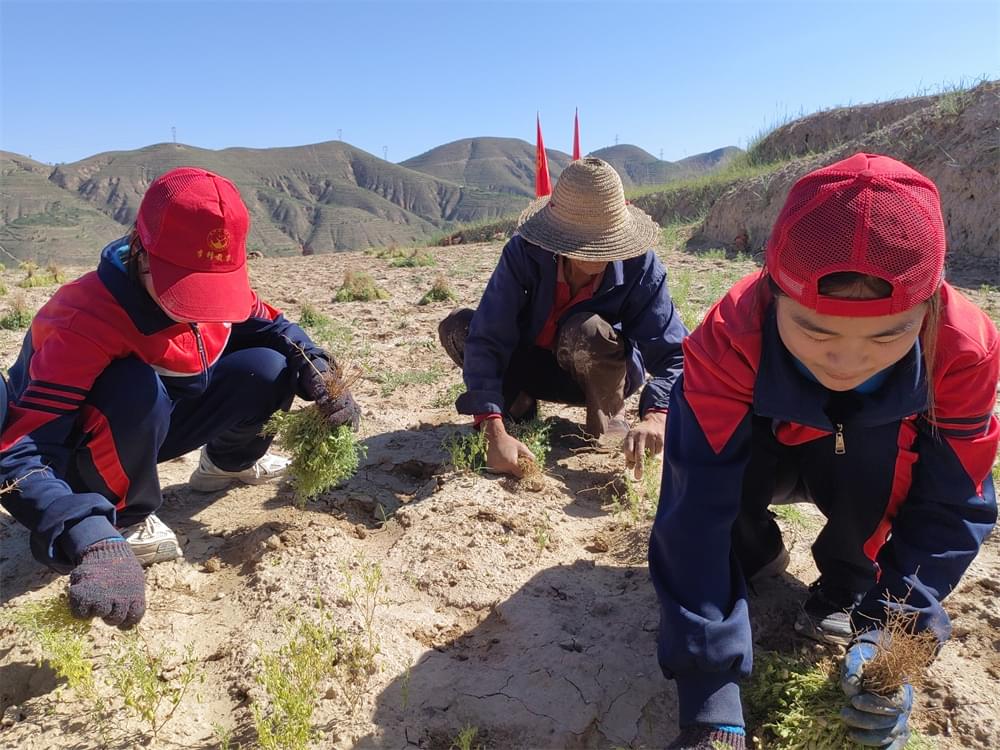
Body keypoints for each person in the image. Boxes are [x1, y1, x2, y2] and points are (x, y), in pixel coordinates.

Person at [649, 153, 998, 749]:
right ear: (773, 292)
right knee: (718, 516)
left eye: (889, 333)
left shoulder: (963, 348)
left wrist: (893, 633)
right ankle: (753, 559)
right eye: (815, 330)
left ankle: (848, 585)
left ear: (930, 307)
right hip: (766, 456)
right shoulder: (730, 336)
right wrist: (710, 700)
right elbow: (694, 500)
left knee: (885, 444)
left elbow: (951, 502)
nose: (847, 360)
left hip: (865, 469)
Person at [0, 167, 359, 628]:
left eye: (212, 288)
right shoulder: (80, 322)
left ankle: (227, 465)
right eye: (186, 287)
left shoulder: (218, 288)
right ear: (141, 252)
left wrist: (320, 372)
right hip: (85, 447)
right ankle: (124, 518)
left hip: (160, 423)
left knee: (269, 367)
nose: (200, 307)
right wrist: (85, 532)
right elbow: (18, 449)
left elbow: (276, 328)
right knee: (134, 386)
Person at [438, 157, 687, 477]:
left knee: (587, 330)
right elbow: (489, 335)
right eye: (586, 243)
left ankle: (608, 421)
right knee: (460, 328)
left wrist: (657, 417)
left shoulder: (641, 267)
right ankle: (517, 405)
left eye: (605, 241)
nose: (599, 253)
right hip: (531, 364)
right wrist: (492, 430)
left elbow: (676, 354)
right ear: (559, 236)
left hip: (601, 373)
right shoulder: (524, 254)